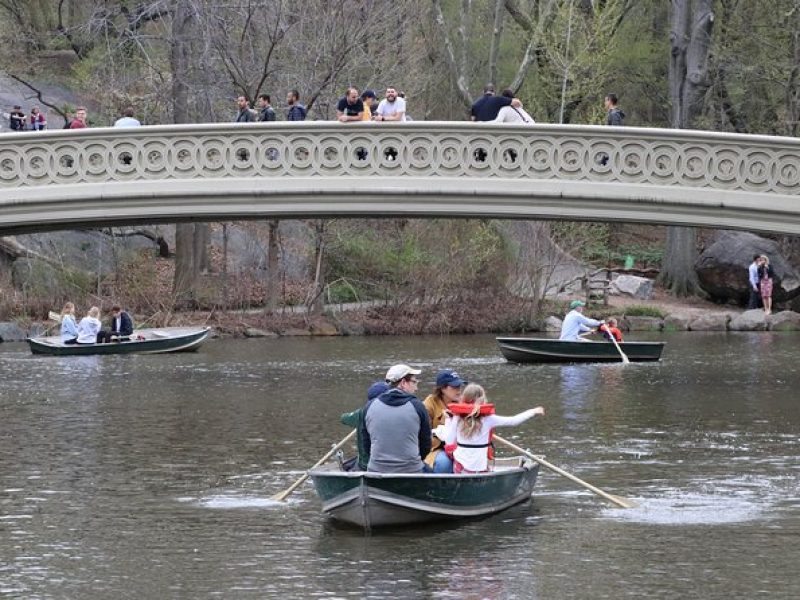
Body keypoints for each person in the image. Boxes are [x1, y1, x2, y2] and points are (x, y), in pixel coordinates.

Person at [439, 383, 545, 473]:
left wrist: (449, 420)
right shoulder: (489, 419)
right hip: (479, 468)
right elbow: (513, 421)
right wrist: (533, 411)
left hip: (460, 467)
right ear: (482, 400)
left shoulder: (457, 417)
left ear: (464, 399)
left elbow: (448, 441)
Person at [360, 364, 431, 473]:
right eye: (414, 382)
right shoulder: (418, 406)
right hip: (411, 471)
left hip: (377, 471)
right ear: (403, 383)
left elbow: (366, 444)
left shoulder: (369, 407)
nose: (416, 387)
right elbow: (426, 444)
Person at [340, 381, 390, 471]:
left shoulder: (361, 412)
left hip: (365, 463)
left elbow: (343, 418)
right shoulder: (394, 413)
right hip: (385, 464)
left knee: (348, 466)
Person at [423, 369, 466, 473]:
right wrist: (445, 422)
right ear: (442, 388)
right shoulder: (428, 405)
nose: (459, 390)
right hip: (436, 449)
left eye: (460, 386)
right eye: (455, 387)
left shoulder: (463, 403)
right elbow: (424, 436)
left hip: (461, 446)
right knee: (444, 463)